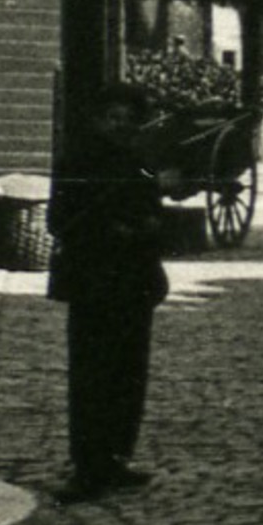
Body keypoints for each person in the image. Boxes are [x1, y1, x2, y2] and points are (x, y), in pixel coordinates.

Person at [47, 82, 170, 502]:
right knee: (91, 375)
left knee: (129, 374)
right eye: (111, 118)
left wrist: (151, 227)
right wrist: (109, 230)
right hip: (94, 280)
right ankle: (87, 465)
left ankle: (117, 457)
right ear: (97, 120)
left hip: (134, 280)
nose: (119, 125)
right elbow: (59, 219)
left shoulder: (139, 161)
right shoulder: (77, 161)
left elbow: (155, 211)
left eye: (126, 119)